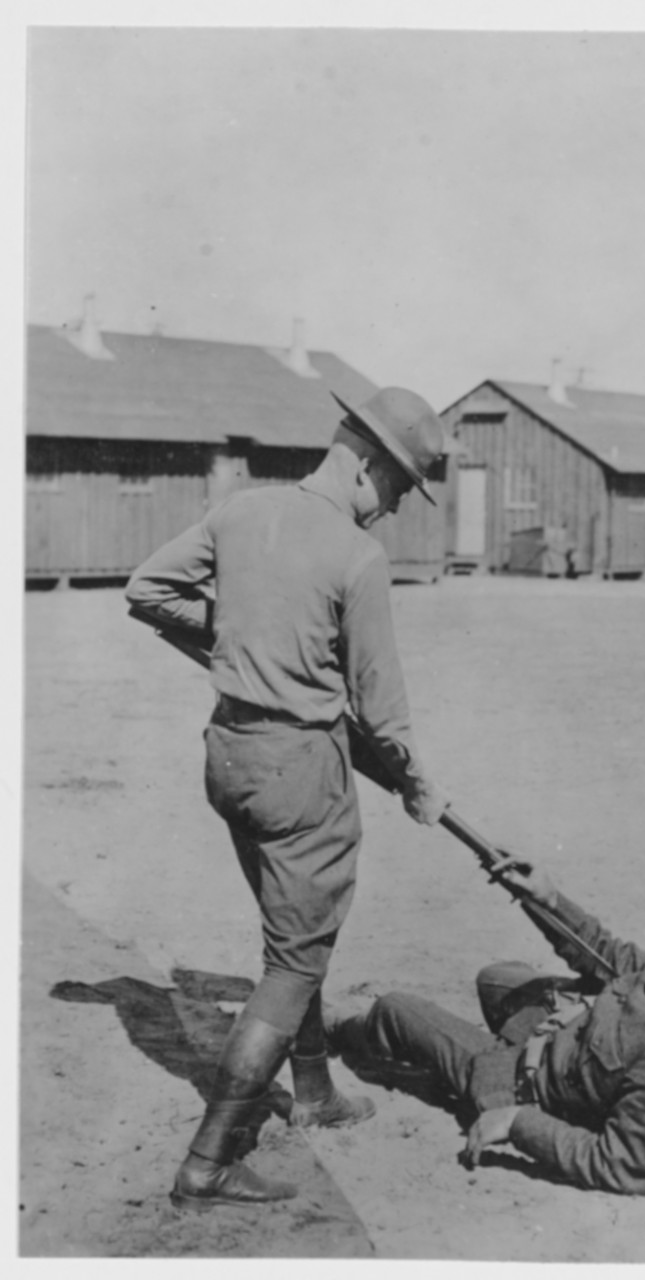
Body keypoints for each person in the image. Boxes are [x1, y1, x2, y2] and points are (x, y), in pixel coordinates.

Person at [125, 386, 450, 1209]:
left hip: (229, 758)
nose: (396, 510)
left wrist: (234, 646)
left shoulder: (240, 513)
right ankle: (210, 1159)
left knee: (290, 927)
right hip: (302, 769)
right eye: (403, 490)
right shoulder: (356, 556)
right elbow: (382, 711)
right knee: (297, 954)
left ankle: (311, 1089)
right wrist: (417, 784)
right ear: (370, 465)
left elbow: (146, 589)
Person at [329, 857, 645, 1196]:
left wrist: (518, 1123)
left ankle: (343, 1028)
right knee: (497, 980)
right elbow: (614, 959)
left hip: (518, 1083)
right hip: (568, 1035)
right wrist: (547, 899)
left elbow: (625, 1168)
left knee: (396, 1009)